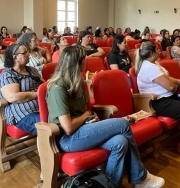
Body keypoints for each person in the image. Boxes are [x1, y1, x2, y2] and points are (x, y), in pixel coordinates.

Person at [46, 45, 165, 188]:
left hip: (81, 130)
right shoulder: (57, 88)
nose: (87, 61)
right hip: (67, 139)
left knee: (120, 141)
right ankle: (140, 178)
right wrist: (86, 116)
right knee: (122, 124)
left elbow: (81, 114)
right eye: (84, 59)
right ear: (77, 62)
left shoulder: (78, 82)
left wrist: (90, 119)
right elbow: (68, 127)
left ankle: (108, 185)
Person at [135, 42, 180, 160]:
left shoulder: (153, 63)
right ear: (151, 53)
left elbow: (167, 78)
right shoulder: (149, 67)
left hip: (167, 97)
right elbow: (170, 87)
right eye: (157, 50)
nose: (160, 51)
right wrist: (178, 87)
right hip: (157, 103)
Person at [0, 43, 43, 134]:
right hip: (22, 114)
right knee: (50, 126)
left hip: (41, 108)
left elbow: (44, 85)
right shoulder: (8, 74)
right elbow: (13, 97)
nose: (28, 54)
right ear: (15, 57)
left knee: (63, 118)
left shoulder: (31, 70)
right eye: (25, 53)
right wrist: (38, 94)